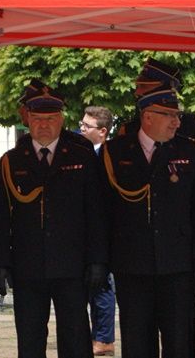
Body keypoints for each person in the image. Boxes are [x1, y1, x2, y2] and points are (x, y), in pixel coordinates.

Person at [0, 82, 107, 358]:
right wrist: (0, 263)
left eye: (51, 118)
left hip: (72, 264)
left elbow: (96, 213)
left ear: (62, 120)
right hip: (27, 265)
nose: (44, 125)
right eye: (38, 119)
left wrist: (98, 260)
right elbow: (1, 217)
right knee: (30, 340)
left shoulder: (81, 156)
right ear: (28, 119)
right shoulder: (11, 161)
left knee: (76, 339)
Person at [101, 83, 195, 358]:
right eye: (169, 115)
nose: (177, 122)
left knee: (179, 343)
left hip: (178, 265)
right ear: (147, 116)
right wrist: (102, 260)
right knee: (137, 343)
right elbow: (102, 212)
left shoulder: (190, 151)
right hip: (132, 266)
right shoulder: (115, 152)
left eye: (177, 115)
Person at [79, 106, 116, 356]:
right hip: (82, 233)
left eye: (87, 126)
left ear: (102, 132)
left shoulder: (107, 156)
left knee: (102, 287)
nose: (81, 129)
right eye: (81, 124)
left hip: (103, 233)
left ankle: (104, 338)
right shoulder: (83, 154)